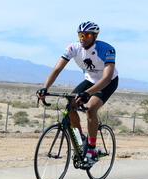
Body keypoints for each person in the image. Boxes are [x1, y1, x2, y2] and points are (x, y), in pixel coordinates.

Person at [36, 21, 118, 167]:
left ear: (95, 36)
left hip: (107, 82)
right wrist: (45, 88)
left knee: (91, 108)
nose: (83, 38)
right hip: (90, 80)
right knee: (71, 104)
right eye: (80, 35)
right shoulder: (73, 48)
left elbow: (106, 78)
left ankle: (91, 150)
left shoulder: (107, 49)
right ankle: (80, 141)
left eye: (86, 35)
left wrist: (87, 93)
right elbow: (56, 70)